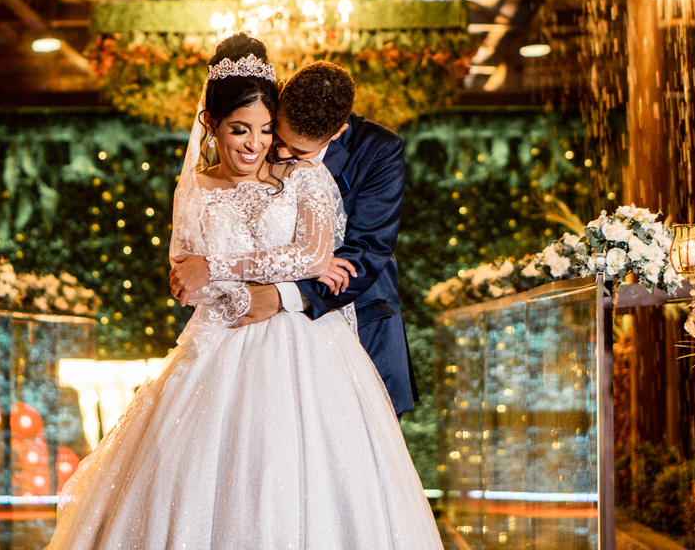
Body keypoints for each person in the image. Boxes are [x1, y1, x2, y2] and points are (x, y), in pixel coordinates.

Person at [46, 35, 442, 550]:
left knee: (339, 481)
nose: (271, 150)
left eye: (277, 139)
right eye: (254, 131)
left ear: (337, 132)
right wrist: (219, 285)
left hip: (333, 332)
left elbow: (354, 255)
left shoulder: (358, 158)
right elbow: (187, 273)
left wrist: (263, 289)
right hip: (224, 339)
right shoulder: (203, 183)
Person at [171, 60, 417, 414]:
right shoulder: (251, 136)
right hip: (237, 342)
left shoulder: (378, 150)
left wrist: (283, 293)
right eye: (278, 136)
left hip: (349, 332)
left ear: (338, 133)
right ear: (280, 94)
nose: (281, 154)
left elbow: (365, 253)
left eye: (300, 152)